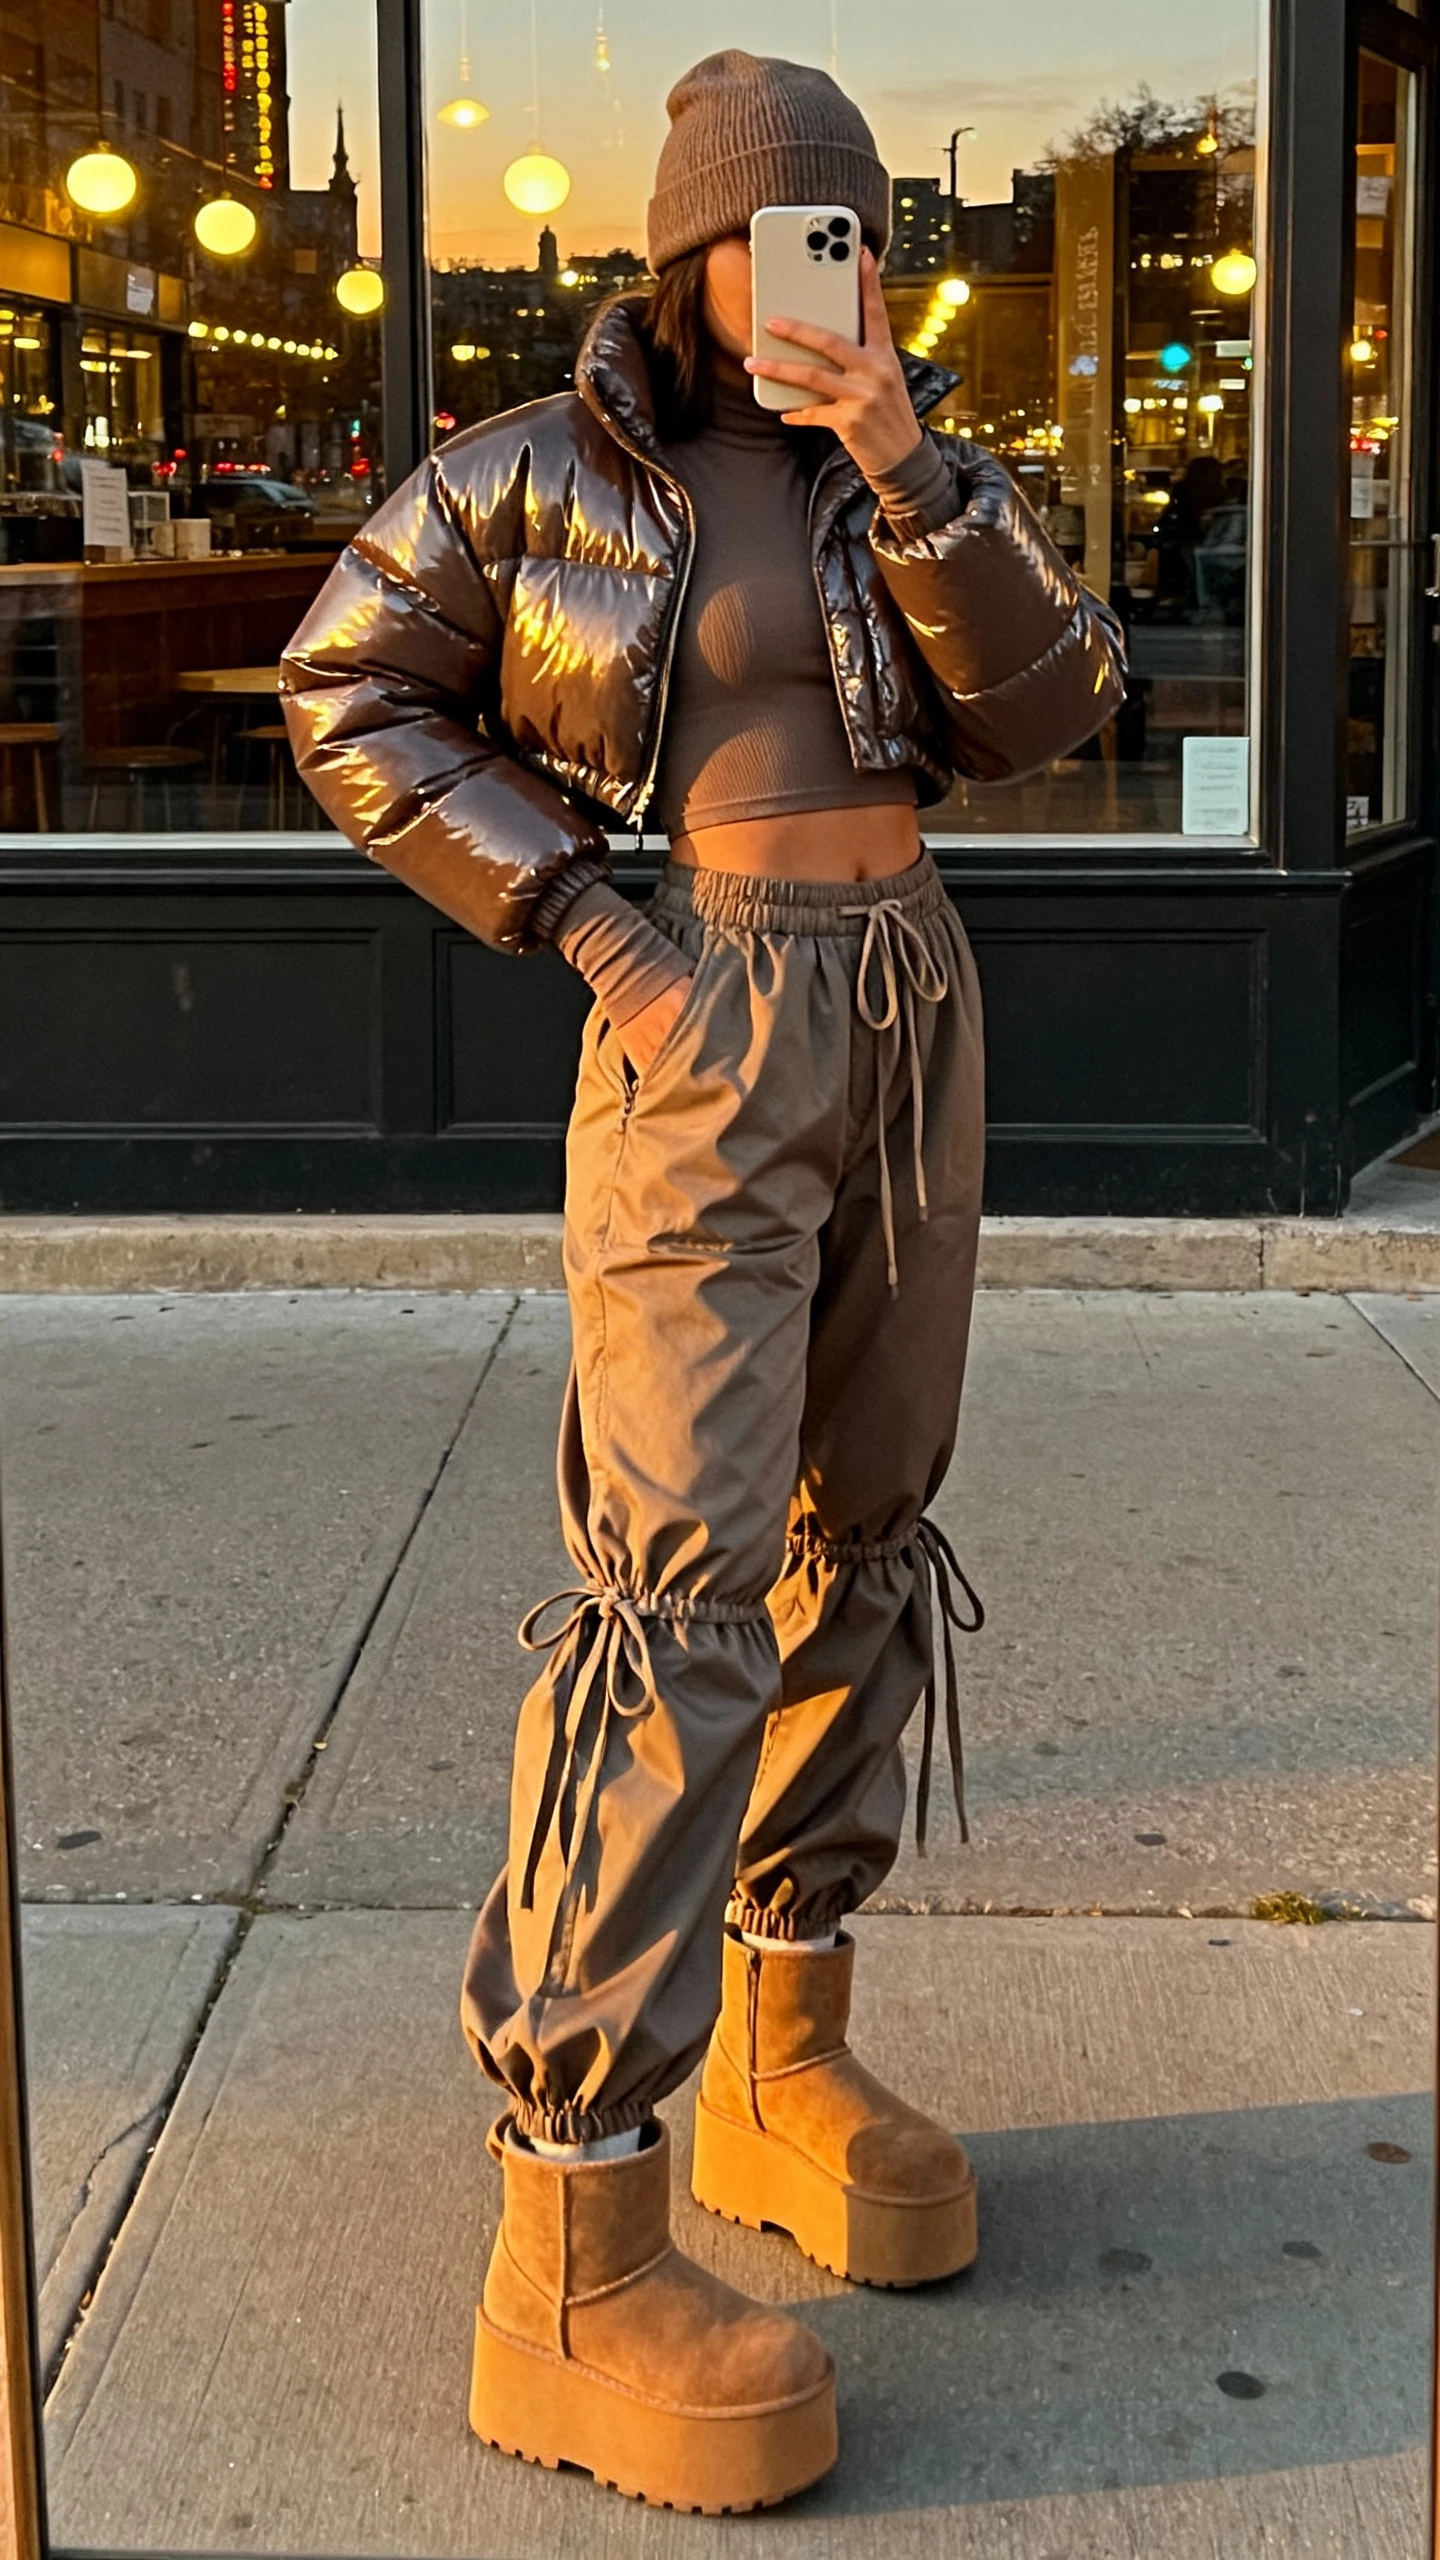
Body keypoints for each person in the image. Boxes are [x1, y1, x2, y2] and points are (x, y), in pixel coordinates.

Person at [281, 48, 1124, 2516]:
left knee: (873, 1526)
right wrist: (596, 928)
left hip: (914, 997)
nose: (823, 272)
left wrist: (905, 457)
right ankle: (571, 2226)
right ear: (695, 245)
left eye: (854, 234)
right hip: (709, 1005)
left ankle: (785, 2042)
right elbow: (350, 691)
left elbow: (1063, 708)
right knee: (677, 1591)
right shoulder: (540, 469)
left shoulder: (912, 463)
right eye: (786, 234)